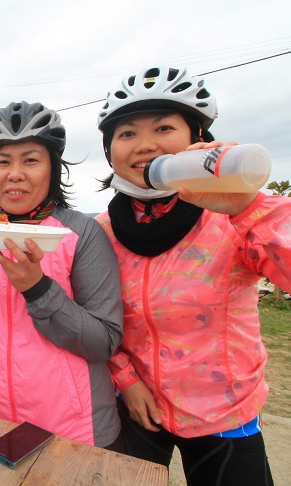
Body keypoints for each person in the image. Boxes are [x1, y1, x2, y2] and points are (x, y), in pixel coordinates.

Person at [95, 65, 287, 485]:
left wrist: (246, 205)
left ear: (196, 140)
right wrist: (125, 380)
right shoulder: (102, 232)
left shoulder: (232, 216)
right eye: (126, 134)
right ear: (110, 153)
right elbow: (96, 319)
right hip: (138, 407)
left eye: (164, 127)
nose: (144, 145)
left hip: (226, 414)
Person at [0, 101, 124, 449]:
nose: (15, 173)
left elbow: (102, 342)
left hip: (75, 432)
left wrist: (37, 288)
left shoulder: (81, 234)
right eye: (2, 161)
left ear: (53, 168)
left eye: (31, 160)